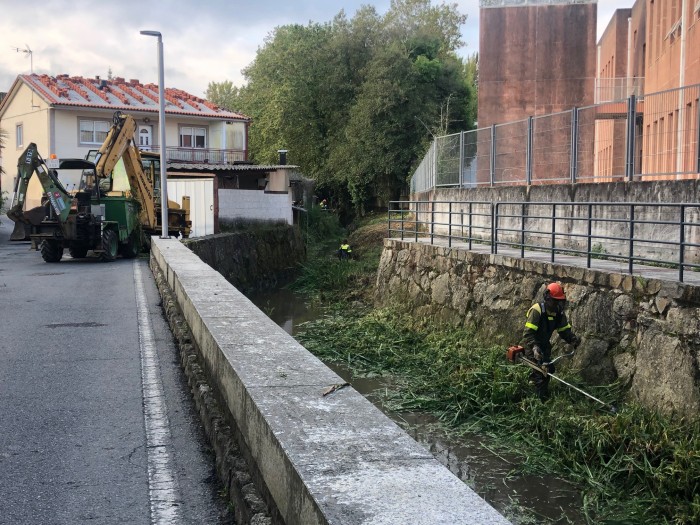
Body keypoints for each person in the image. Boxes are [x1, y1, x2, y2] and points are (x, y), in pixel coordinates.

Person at [521, 282, 580, 401]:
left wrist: (572, 339)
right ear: (547, 298)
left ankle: (534, 386)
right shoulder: (537, 310)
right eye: (555, 301)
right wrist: (534, 347)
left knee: (549, 369)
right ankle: (539, 401)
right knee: (540, 373)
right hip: (532, 344)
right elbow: (528, 334)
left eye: (560, 301)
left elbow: (563, 330)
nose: (558, 304)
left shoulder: (559, 312)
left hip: (545, 345)